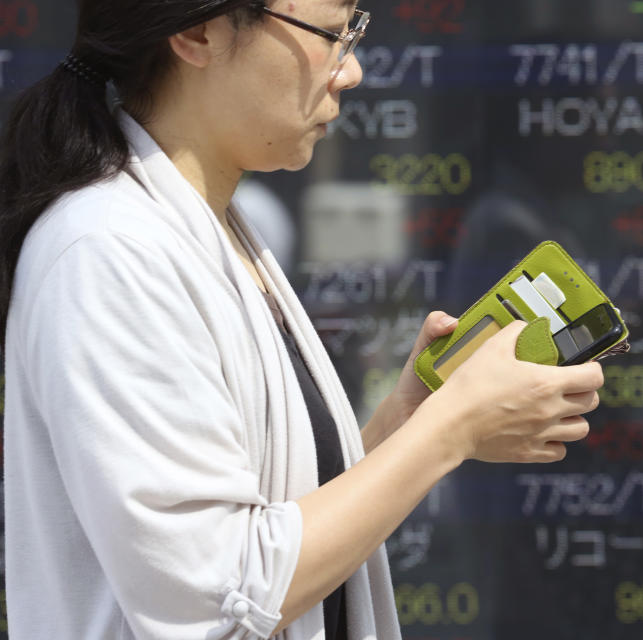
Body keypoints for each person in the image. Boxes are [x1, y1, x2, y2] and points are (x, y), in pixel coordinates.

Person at [0, 1, 605, 638]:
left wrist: (407, 425)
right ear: (198, 32)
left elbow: (269, 521)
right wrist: (449, 433)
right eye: (332, 33)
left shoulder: (211, 227)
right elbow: (216, 593)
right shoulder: (108, 251)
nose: (352, 71)